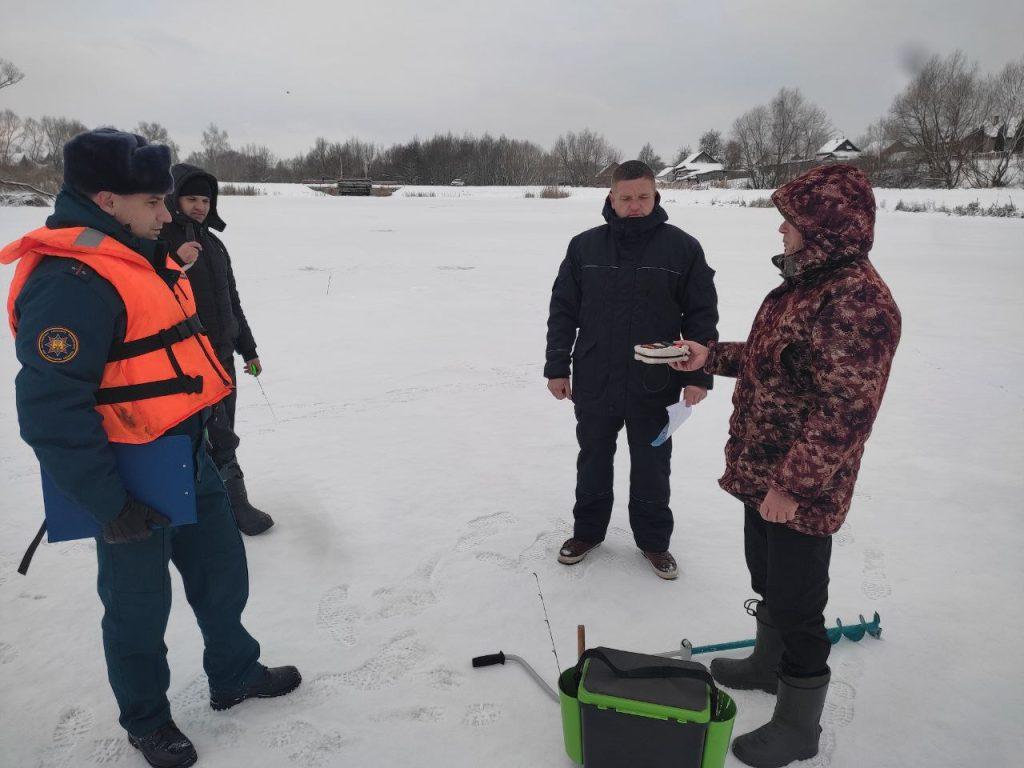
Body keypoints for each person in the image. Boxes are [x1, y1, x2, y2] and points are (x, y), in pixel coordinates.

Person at [0, 129, 299, 768]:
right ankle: (147, 719)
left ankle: (234, 674)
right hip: (128, 472)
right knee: (137, 608)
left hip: (188, 450)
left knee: (223, 573)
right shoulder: (71, 281)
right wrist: (109, 504)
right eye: (153, 202)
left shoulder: (137, 254)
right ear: (107, 200)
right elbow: (51, 411)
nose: (167, 214)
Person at [670, 164, 901, 767]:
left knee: (799, 605)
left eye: (791, 220)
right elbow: (774, 359)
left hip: (801, 486)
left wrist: (793, 487)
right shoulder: (807, 284)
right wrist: (707, 356)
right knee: (767, 577)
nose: (780, 229)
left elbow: (846, 411)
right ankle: (766, 665)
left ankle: (799, 726)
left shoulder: (859, 303)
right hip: (763, 468)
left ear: (824, 227)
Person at [544, 160, 719, 579]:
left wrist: (697, 376)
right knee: (593, 459)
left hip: (655, 381)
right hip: (595, 377)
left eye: (643, 197)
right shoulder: (584, 247)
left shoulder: (683, 248)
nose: (635, 205)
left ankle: (654, 542)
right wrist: (557, 366)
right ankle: (587, 532)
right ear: (611, 198)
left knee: (653, 465)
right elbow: (563, 311)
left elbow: (701, 317)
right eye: (626, 198)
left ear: (655, 195)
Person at [160, 165, 273, 535]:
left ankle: (218, 502)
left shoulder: (214, 245)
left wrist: (248, 349)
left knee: (224, 428)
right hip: (189, 361)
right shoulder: (161, 243)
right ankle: (233, 507)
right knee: (215, 434)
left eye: (206, 200)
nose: (199, 206)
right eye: (191, 198)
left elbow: (232, 302)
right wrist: (174, 262)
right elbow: (152, 295)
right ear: (173, 200)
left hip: (222, 356)